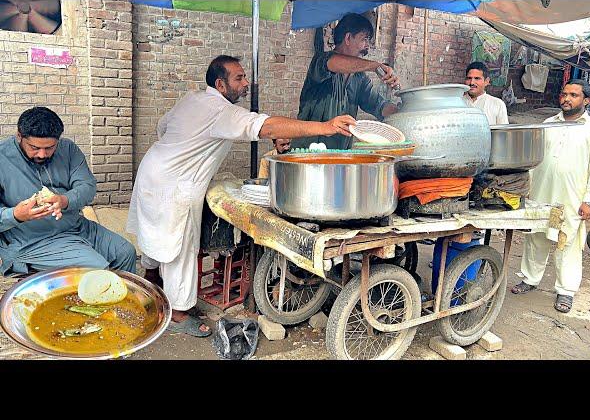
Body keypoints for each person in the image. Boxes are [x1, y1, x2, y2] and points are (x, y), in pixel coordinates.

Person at [127, 55, 356, 337]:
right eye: (239, 78)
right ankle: (178, 312)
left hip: (152, 171)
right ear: (220, 84)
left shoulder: (193, 99)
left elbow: (163, 128)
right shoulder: (219, 110)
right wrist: (325, 126)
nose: (246, 83)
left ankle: (151, 280)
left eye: (244, 76)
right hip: (175, 183)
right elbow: (265, 125)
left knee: (155, 233)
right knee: (180, 247)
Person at [510, 79, 590, 313]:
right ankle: (530, 279)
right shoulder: (548, 124)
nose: (566, 98)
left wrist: (589, 200)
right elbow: (535, 160)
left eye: (573, 95)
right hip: (541, 192)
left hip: (572, 198)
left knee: (568, 242)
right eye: (564, 94)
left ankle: (565, 291)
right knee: (536, 237)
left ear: (586, 100)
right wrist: (526, 189)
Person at [0, 107, 137, 276]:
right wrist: (15, 215)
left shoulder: (68, 149)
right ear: (19, 136)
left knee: (126, 252)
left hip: (75, 226)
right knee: (97, 270)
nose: (42, 154)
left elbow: (88, 187)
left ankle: (122, 301)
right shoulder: (2, 157)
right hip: (30, 240)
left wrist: (64, 200)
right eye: (34, 147)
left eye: (50, 147)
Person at [291, 13, 401, 150]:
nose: (367, 45)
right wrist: (375, 65)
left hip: (339, 155)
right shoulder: (321, 60)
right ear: (348, 38)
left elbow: (378, 105)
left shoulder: (359, 78)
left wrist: (404, 111)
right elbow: (334, 63)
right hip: (307, 152)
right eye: (364, 39)